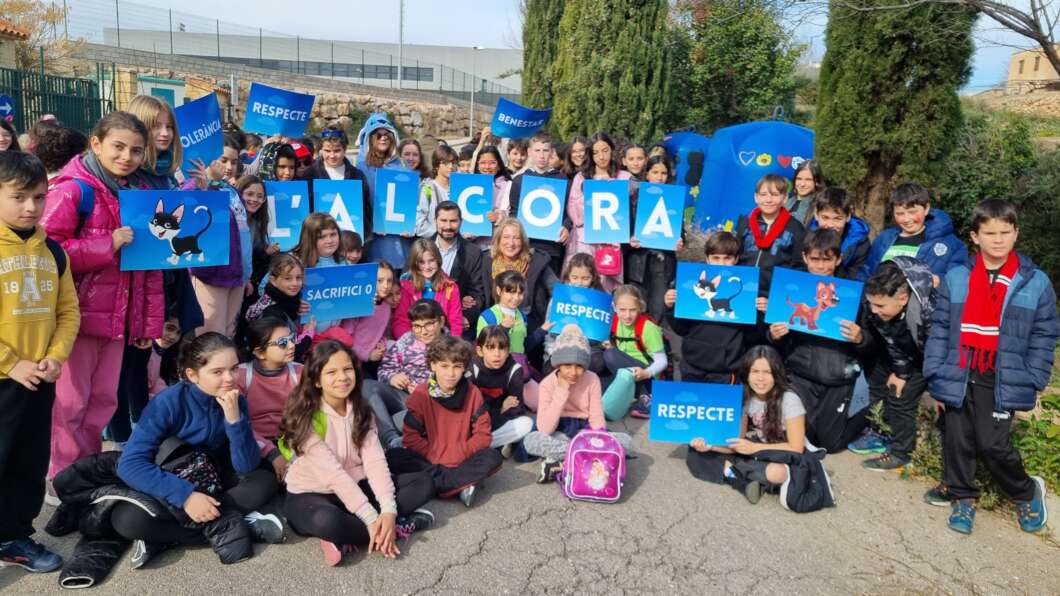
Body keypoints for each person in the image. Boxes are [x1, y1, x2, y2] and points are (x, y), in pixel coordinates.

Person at [41, 112, 165, 485]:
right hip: (76, 320)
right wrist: (105, 244)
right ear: (96, 143)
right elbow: (47, 252)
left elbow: (149, 268)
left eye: (136, 150)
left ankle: (88, 470)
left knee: (103, 402)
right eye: (118, 147)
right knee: (70, 404)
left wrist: (146, 325)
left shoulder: (137, 194)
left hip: (117, 321)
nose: (127, 156)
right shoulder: (71, 189)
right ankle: (63, 477)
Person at [923, 198, 1057, 535]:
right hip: (959, 367)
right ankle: (963, 497)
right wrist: (934, 370)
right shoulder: (957, 277)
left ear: (1016, 234)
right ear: (975, 237)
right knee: (957, 438)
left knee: (992, 444)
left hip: (1000, 373)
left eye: (1005, 232)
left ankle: (1025, 491)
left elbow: (1045, 333)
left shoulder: (1034, 281)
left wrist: (1034, 375)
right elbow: (940, 327)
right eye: (990, 233)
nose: (998, 240)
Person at [114, 333, 284, 568]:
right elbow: (130, 464)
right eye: (217, 372)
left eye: (234, 369)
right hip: (174, 478)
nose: (229, 378)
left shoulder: (236, 401)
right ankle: (238, 526)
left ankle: (167, 537)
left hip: (214, 477)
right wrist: (186, 496)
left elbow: (245, 466)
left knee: (264, 481)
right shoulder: (167, 403)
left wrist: (234, 420)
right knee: (126, 519)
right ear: (192, 375)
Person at [280, 340, 434, 566]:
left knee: (423, 483)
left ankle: (359, 534)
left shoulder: (361, 410)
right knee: (327, 521)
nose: (342, 377)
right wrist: (371, 518)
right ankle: (389, 529)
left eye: (347, 369)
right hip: (313, 493)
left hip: (356, 484)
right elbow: (333, 475)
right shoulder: (307, 417)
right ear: (316, 380)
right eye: (331, 372)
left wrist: (388, 510)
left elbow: (375, 462)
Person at [0, 151, 79, 573]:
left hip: (38, 379)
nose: (30, 206)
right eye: (18, 197)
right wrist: (9, 362)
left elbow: (68, 311)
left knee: (28, 462)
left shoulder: (53, 251)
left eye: (38, 196)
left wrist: (55, 356)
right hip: (5, 377)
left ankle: (12, 537)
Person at [768, 229, 866, 453]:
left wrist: (860, 338)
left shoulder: (851, 293)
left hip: (837, 378)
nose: (821, 266)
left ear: (838, 259)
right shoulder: (790, 285)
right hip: (800, 375)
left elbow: (871, 342)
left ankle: (866, 418)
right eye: (815, 259)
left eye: (827, 260)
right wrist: (773, 335)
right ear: (804, 257)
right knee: (794, 436)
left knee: (829, 445)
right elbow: (772, 335)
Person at [686, 346, 809, 505]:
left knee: (776, 473)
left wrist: (754, 448)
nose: (760, 378)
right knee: (695, 452)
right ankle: (744, 482)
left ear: (776, 374)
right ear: (747, 374)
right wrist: (710, 446)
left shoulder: (789, 399)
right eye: (755, 371)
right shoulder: (745, 397)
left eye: (767, 372)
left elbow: (796, 447)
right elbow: (737, 442)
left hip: (784, 454)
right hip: (757, 452)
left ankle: (735, 475)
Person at [391, 335, 503, 507]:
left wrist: (458, 454)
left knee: (492, 457)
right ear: (433, 365)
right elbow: (411, 437)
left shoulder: (473, 393)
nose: (450, 374)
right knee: (394, 456)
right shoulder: (421, 394)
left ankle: (438, 485)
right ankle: (459, 485)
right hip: (431, 458)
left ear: (464, 367)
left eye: (457, 367)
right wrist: (436, 456)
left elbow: (483, 435)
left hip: (462, 458)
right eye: (444, 366)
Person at [851, 258, 935, 471]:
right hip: (899, 350)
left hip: (927, 356)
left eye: (880, 305)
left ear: (903, 298)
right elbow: (889, 337)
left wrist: (907, 375)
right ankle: (881, 433)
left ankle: (901, 453)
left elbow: (937, 349)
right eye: (871, 303)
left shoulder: (928, 310)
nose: (873, 310)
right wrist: (900, 371)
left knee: (901, 398)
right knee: (882, 385)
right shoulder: (876, 304)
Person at [524, 324, 633, 483]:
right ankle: (586, 457)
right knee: (532, 440)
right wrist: (562, 391)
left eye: (579, 366)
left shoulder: (592, 379)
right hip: (558, 430)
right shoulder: (547, 384)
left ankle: (563, 462)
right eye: (567, 366)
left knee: (625, 441)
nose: (573, 372)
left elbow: (596, 415)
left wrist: (598, 437)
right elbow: (545, 428)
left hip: (585, 431)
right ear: (558, 364)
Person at [663, 231, 745, 383]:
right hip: (692, 364)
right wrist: (670, 307)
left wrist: (760, 312)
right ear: (707, 259)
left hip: (725, 369)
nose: (721, 263)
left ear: (736, 259)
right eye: (716, 258)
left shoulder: (747, 290)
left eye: (727, 258)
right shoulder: (690, 284)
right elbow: (681, 329)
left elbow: (752, 334)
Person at [364, 300, 446, 449]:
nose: (423, 331)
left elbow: (458, 386)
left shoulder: (452, 347)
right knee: (366, 386)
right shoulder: (406, 340)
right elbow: (384, 369)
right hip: (401, 396)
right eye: (417, 326)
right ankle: (391, 440)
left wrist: (426, 391)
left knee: (396, 420)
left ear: (441, 321)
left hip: (432, 405)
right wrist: (392, 377)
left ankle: (399, 429)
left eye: (429, 324)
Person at [237, 316, 303, 483]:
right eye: (283, 342)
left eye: (292, 338)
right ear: (260, 352)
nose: (292, 345)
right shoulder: (241, 376)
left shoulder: (300, 373)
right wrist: (272, 453)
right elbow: (238, 423)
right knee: (265, 484)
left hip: (295, 442)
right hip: (256, 444)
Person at [861, 182, 969, 280]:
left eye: (912, 212)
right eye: (899, 214)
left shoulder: (952, 245)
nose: (906, 219)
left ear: (926, 209)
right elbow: (867, 273)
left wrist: (938, 282)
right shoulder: (883, 239)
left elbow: (958, 283)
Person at [566, 132, 631, 291]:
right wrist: (591, 196)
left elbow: (633, 211)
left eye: (605, 150)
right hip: (585, 240)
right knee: (581, 281)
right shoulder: (582, 177)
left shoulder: (624, 178)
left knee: (605, 287)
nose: (601, 157)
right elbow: (573, 211)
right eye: (596, 152)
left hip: (611, 241)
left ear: (612, 150)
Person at [507, 133, 573, 278]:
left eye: (545, 150)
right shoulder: (519, 180)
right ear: (530, 152)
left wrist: (566, 226)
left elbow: (569, 212)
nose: (541, 155)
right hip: (526, 244)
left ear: (551, 152)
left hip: (552, 245)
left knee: (551, 285)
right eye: (537, 150)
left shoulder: (563, 180)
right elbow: (514, 212)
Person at [627, 155, 681, 322]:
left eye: (663, 173)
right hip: (638, 263)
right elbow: (622, 229)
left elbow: (680, 230)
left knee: (658, 310)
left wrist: (681, 240)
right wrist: (629, 239)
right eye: (655, 172)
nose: (659, 177)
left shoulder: (673, 198)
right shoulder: (634, 199)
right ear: (647, 174)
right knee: (637, 307)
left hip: (663, 264)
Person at [480, 217, 557, 333]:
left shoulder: (536, 261)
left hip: (528, 321)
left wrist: (548, 320)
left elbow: (558, 291)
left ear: (523, 241)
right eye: (506, 237)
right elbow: (477, 289)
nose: (511, 243)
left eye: (516, 238)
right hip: (493, 321)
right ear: (498, 239)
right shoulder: (486, 260)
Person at [604, 285, 669, 419]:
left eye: (632, 310)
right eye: (622, 310)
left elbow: (662, 361)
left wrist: (647, 373)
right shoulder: (613, 322)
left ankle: (646, 397)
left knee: (610, 355)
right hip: (625, 371)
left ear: (640, 307)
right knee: (600, 360)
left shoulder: (648, 328)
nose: (627, 315)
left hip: (646, 374)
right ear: (614, 307)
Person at [356, 113, 408, 269]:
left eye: (387, 134)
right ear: (370, 137)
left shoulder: (401, 166)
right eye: (378, 135)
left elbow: (406, 202)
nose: (383, 138)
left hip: (398, 237)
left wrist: (408, 224)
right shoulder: (360, 166)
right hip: (372, 237)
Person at [471, 326, 534, 454]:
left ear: (508, 350)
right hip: (476, 422)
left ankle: (478, 446)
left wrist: (500, 413)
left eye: (502, 348)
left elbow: (516, 408)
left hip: (499, 421)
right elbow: (470, 409)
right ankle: (490, 445)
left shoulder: (514, 370)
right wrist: (501, 409)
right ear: (480, 351)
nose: (497, 354)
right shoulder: (472, 368)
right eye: (491, 348)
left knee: (526, 423)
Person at [246, 253, 315, 362]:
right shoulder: (272, 312)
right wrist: (308, 335)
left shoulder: (290, 300)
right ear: (273, 280)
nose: (295, 283)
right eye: (287, 278)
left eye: (298, 278)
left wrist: (296, 305)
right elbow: (284, 352)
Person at [432, 201, 485, 338]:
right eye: (443, 220)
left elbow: (477, 293)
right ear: (435, 221)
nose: (448, 226)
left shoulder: (473, 253)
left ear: (461, 222)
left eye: (453, 221)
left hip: (455, 322)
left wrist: (467, 317)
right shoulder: (421, 247)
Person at [302, 126, 371, 231]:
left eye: (337, 150)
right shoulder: (310, 174)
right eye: (327, 151)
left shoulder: (357, 175)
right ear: (321, 150)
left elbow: (365, 210)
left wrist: (367, 237)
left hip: (349, 236)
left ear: (345, 149)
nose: (332, 155)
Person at [393, 238, 463, 338]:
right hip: (414, 340)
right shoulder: (406, 287)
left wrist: (451, 344)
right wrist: (412, 342)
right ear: (415, 264)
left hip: (442, 340)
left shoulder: (451, 287)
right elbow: (400, 321)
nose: (427, 266)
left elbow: (455, 322)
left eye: (431, 261)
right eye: (422, 262)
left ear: (438, 260)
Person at [808, 187, 870, 281]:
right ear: (816, 215)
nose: (830, 225)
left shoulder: (860, 242)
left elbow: (858, 277)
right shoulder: (807, 233)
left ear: (848, 216)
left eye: (837, 219)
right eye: (825, 217)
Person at [477, 270, 529, 373]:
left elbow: (523, 344)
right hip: (495, 372)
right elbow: (483, 347)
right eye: (511, 292)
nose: (516, 298)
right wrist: (503, 327)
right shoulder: (488, 316)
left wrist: (542, 330)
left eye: (520, 293)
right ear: (499, 291)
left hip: (517, 369)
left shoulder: (522, 316)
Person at [414, 145, 457, 238]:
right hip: (433, 242)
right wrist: (442, 232)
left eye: (453, 163)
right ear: (437, 165)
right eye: (445, 163)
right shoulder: (427, 188)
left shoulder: (459, 188)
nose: (451, 166)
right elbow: (419, 224)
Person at [785, 159, 823, 224]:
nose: (802, 184)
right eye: (799, 179)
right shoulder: (786, 199)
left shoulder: (822, 204)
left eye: (808, 180)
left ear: (817, 182)